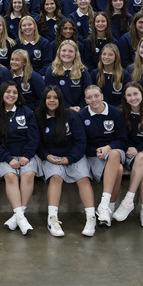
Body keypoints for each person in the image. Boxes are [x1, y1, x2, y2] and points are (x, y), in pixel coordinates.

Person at [36, 86, 96, 237]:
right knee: (55, 178)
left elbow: (80, 141)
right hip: (51, 156)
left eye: (55, 97)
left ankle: (91, 218)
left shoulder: (71, 116)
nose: (52, 100)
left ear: (60, 100)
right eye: (48, 97)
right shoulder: (38, 116)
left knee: (83, 178)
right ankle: (52, 219)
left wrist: (70, 158)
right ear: (44, 100)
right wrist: (46, 156)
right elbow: (37, 143)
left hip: (73, 155)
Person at [0, 81, 40, 235]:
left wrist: (27, 155)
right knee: (11, 176)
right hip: (4, 156)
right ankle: (21, 218)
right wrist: (8, 158)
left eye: (15, 92)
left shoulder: (26, 112)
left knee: (28, 174)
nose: (11, 95)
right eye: (8, 92)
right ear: (2, 94)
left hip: (25, 155)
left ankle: (18, 217)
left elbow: (34, 137)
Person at [113, 82, 143, 227]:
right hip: (131, 156)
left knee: (142, 157)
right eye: (129, 95)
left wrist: (139, 149)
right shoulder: (121, 114)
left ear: (142, 94)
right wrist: (129, 148)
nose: (133, 98)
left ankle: (128, 200)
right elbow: (120, 138)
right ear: (125, 97)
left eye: (135, 94)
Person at [79, 85, 127, 227]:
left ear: (102, 96)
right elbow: (81, 142)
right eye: (89, 97)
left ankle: (104, 203)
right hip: (94, 155)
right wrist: (96, 151)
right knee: (118, 169)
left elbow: (123, 140)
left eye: (96, 96)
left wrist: (108, 147)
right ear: (85, 100)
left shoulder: (115, 113)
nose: (93, 100)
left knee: (115, 153)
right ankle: (109, 208)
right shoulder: (82, 115)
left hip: (115, 150)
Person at [43, 40, 92, 111]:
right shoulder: (51, 71)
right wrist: (68, 107)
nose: (66, 53)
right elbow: (50, 95)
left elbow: (88, 93)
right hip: (59, 110)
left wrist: (80, 107)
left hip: (80, 110)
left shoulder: (83, 71)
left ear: (76, 54)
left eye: (71, 51)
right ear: (59, 52)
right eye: (64, 50)